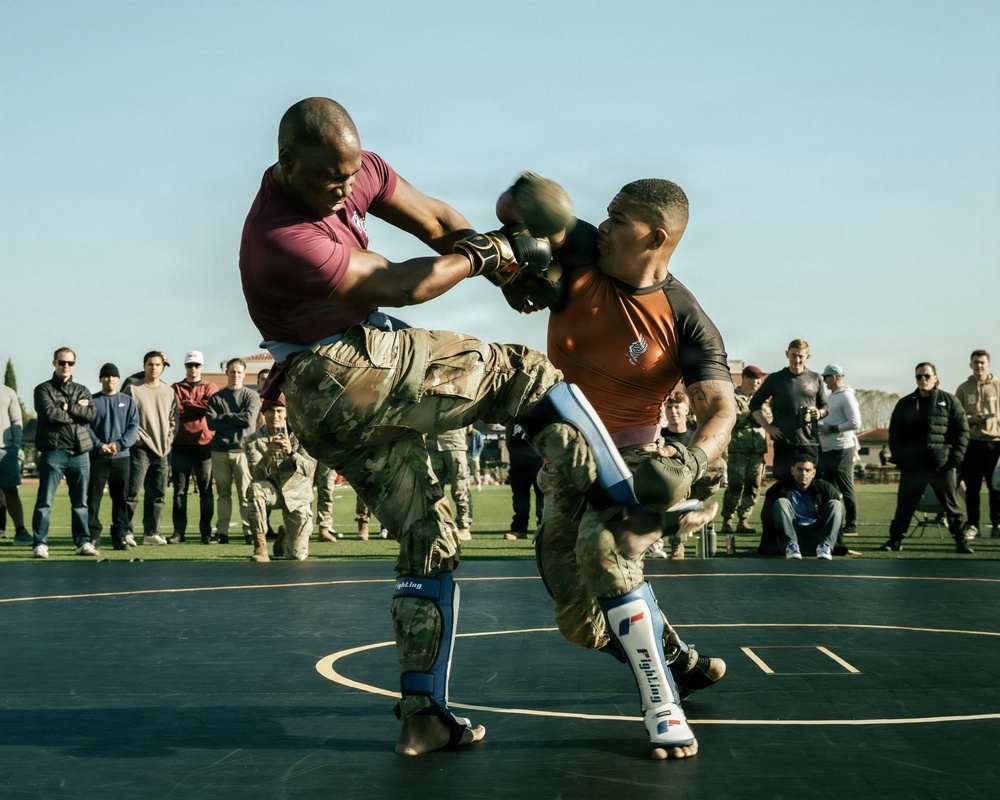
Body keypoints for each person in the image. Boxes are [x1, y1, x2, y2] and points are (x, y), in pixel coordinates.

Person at [238, 99, 715, 757]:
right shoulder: (279, 242)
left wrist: (508, 272)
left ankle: (424, 715)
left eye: (350, 174)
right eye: (328, 180)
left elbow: (439, 223)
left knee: (430, 532)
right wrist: (489, 257)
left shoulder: (358, 171)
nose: (344, 189)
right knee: (526, 374)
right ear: (288, 163)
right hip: (336, 373)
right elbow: (405, 282)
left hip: (346, 398)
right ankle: (629, 506)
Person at [495, 173, 735, 758]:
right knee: (577, 622)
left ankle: (663, 703)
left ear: (655, 237)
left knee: (605, 552)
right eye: (603, 213)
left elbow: (721, 406)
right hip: (562, 455)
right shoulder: (582, 250)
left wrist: (693, 457)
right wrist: (517, 251)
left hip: (629, 455)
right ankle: (680, 660)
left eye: (617, 219)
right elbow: (515, 203)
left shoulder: (684, 315)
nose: (602, 225)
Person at [882, 362, 971, 553]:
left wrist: (955, 459)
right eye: (919, 376)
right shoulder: (905, 403)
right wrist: (902, 459)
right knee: (905, 505)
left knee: (951, 505)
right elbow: (895, 433)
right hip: (913, 466)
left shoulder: (949, 401)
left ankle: (961, 541)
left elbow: (962, 431)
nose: (923, 380)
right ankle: (895, 541)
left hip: (942, 464)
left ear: (935, 378)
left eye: (927, 376)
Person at [31, 347, 97, 558]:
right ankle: (40, 543)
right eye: (61, 362)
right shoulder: (43, 389)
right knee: (45, 502)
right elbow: (49, 414)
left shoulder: (83, 389)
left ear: (74, 365)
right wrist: (75, 410)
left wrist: (68, 408)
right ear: (54, 363)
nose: (65, 366)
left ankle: (82, 542)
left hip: (80, 452)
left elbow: (91, 415)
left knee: (80, 503)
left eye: (69, 363)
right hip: (54, 451)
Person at [245, 394, 317, 561]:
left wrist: (291, 453)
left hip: (297, 494)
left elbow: (309, 470)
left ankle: (284, 538)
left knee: (296, 555)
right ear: (264, 414)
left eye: (279, 411)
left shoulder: (301, 436)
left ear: (286, 413)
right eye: (270, 411)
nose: (275, 416)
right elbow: (256, 474)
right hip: (272, 490)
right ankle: (260, 546)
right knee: (255, 489)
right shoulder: (253, 441)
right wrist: (269, 452)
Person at [749, 339, 828, 480]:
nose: (796, 360)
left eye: (800, 356)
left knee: (811, 484)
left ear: (807, 357)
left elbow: (826, 407)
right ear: (787, 354)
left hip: (809, 442)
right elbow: (754, 404)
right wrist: (767, 427)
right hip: (784, 442)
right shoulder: (775, 379)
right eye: (793, 355)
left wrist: (819, 412)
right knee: (784, 485)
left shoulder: (815, 378)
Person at [123, 351, 177, 546]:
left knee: (158, 494)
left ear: (163, 367)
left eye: (157, 365)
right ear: (144, 366)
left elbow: (173, 420)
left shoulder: (169, 391)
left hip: (162, 451)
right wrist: (136, 438)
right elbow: (126, 418)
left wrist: (168, 441)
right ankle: (127, 533)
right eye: (150, 364)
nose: (154, 368)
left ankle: (151, 533)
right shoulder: (133, 389)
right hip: (139, 449)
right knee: (133, 493)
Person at [206, 357, 261, 544]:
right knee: (223, 494)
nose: (235, 375)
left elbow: (248, 419)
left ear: (244, 374)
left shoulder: (251, 396)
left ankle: (249, 532)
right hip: (220, 450)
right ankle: (222, 533)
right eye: (232, 371)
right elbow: (211, 423)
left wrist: (225, 417)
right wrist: (233, 418)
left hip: (243, 451)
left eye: (239, 372)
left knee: (246, 494)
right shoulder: (217, 397)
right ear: (226, 373)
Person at [86, 363, 139, 551]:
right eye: (106, 376)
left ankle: (120, 536)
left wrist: (118, 444)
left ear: (118, 379)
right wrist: (99, 446)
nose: (110, 379)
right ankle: (92, 537)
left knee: (121, 499)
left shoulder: (128, 401)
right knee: (93, 499)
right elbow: (86, 427)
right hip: (98, 457)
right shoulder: (92, 401)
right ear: (100, 379)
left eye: (113, 376)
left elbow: (133, 427)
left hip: (121, 457)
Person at [170, 350, 218, 544]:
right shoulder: (175, 387)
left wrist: (188, 405)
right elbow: (175, 409)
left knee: (205, 491)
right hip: (180, 444)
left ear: (202, 367)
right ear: (185, 367)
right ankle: (178, 532)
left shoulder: (210, 386)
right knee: (179, 492)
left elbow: (210, 407)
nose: (193, 369)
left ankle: (205, 532)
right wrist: (196, 406)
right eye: (190, 365)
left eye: (196, 365)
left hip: (204, 444)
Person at [760, 453, 843, 560]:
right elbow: (767, 520)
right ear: (792, 470)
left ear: (814, 473)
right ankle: (791, 546)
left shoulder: (826, 489)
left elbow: (836, 521)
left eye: (807, 470)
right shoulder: (777, 489)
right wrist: (766, 546)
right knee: (781, 502)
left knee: (835, 504)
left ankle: (825, 547)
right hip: (791, 536)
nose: (803, 473)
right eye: (799, 469)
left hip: (817, 538)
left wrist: (839, 546)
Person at [954, 350, 1000, 539]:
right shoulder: (963, 388)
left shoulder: (998, 386)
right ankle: (973, 525)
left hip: (996, 443)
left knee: (996, 488)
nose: (979, 366)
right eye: (975, 362)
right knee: (972, 489)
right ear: (970, 364)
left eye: (982, 362)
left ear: (988, 364)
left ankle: (997, 525)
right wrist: (972, 419)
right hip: (972, 444)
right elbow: (956, 417)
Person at [721, 365, 767, 535]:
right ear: (746, 378)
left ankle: (744, 520)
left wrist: (750, 414)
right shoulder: (732, 397)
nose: (759, 382)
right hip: (738, 450)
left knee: (753, 486)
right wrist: (755, 415)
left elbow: (768, 417)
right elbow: (733, 419)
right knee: (735, 485)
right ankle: (727, 519)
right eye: (756, 378)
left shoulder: (761, 398)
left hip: (757, 450)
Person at [818, 364, 863, 534]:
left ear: (834, 377)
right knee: (827, 488)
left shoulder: (846, 396)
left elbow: (855, 423)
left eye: (826, 377)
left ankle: (851, 525)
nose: (824, 381)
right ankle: (829, 522)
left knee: (846, 487)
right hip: (828, 449)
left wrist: (832, 429)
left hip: (842, 449)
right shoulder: (833, 396)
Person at [426, 428, 473, 540]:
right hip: (433, 444)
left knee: (459, 488)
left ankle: (464, 526)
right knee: (434, 489)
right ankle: (438, 526)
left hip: (455, 444)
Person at [0, 382, 30, 545]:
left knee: (11, 491)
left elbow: (17, 421)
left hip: (6, 450)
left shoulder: (8, 392)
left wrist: (15, 446)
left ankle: (20, 532)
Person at [503, 423, 543, 540]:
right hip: (517, 456)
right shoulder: (514, 408)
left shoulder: (543, 406)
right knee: (519, 495)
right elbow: (509, 426)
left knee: (542, 495)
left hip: (538, 456)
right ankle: (519, 529)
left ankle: (543, 528)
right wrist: (509, 444)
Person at [314, 462, 341, 542]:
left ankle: (324, 529)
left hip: (326, 452)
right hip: (305, 452)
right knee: (303, 488)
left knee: (327, 490)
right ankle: (299, 528)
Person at [466, 424, 485, 491]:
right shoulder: (464, 433)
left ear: (472, 426)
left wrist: (477, 454)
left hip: (474, 456)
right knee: (465, 471)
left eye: (469, 426)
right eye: (467, 426)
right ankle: (467, 486)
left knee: (476, 471)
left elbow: (481, 445)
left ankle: (478, 485)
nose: (468, 427)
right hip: (466, 456)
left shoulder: (477, 434)